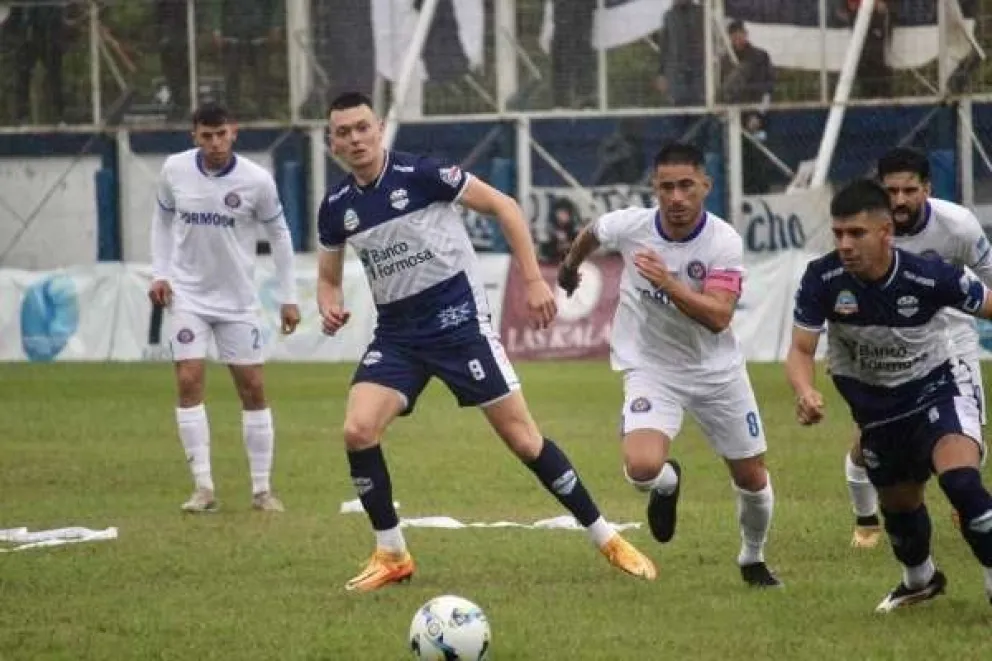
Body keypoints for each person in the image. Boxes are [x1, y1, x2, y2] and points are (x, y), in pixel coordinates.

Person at [316, 91, 656, 593]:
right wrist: (328, 301)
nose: (355, 138)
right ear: (332, 142)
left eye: (362, 127)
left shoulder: (423, 175)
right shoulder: (337, 208)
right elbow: (328, 277)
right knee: (357, 430)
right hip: (398, 335)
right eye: (343, 132)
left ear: (380, 127)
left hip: (458, 325)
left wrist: (535, 279)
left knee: (523, 439)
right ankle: (392, 554)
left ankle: (606, 537)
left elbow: (504, 206)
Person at [557, 142, 781, 588]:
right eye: (666, 188)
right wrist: (568, 267)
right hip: (651, 367)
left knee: (752, 478)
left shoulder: (723, 242)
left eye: (686, 186)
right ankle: (666, 482)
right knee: (641, 468)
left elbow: (718, 317)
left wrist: (668, 282)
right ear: (654, 189)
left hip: (717, 372)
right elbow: (594, 232)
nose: (676, 198)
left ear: (705, 186)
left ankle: (752, 557)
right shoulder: (632, 226)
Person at [787, 178, 992, 612]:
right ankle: (919, 581)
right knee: (900, 509)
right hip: (876, 411)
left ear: (885, 233)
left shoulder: (929, 275)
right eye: (839, 233)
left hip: (937, 390)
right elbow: (801, 349)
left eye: (856, 233)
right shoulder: (821, 279)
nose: (845, 244)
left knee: (961, 481)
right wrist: (805, 390)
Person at [148, 103, 301, 514]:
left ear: (234, 131)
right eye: (206, 136)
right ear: (193, 136)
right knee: (188, 379)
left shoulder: (257, 181)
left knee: (252, 388)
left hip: (238, 302)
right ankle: (203, 488)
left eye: (221, 134)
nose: (215, 143)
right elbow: (161, 222)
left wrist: (289, 296)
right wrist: (159, 273)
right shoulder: (174, 170)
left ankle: (262, 490)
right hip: (188, 296)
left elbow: (281, 236)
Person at [843, 148, 992, 550]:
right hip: (886, 339)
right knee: (875, 436)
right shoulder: (864, 225)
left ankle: (967, 507)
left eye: (910, 190)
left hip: (951, 335)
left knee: (966, 432)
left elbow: (989, 277)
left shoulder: (957, 225)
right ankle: (865, 520)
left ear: (927, 188)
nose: (900, 200)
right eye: (891, 190)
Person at [719, 20, 774, 195]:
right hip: (735, 117)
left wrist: (758, 114)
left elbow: (768, 88)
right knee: (738, 158)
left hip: (755, 115)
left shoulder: (760, 57)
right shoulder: (726, 60)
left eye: (740, 34)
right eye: (734, 36)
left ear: (745, 34)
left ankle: (761, 192)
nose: (738, 39)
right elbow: (722, 91)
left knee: (758, 156)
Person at [655, 0, 705, 106]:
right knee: (679, 109)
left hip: (698, 73)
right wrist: (661, 74)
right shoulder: (668, 16)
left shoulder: (700, 12)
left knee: (699, 107)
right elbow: (664, 47)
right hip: (676, 75)